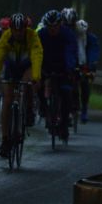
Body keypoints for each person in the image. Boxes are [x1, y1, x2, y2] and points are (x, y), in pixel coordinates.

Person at [0, 13, 43, 158]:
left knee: (28, 83)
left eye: (21, 30)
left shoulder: (32, 36)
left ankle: (30, 108)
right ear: (11, 29)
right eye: (15, 29)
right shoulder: (6, 37)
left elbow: (37, 56)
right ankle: (5, 139)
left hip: (27, 67)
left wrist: (36, 77)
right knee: (7, 101)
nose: (18, 33)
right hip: (12, 67)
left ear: (26, 28)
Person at [36, 9, 77, 140]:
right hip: (46, 65)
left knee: (66, 94)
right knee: (38, 84)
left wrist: (70, 68)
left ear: (60, 25)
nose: (52, 29)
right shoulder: (41, 34)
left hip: (63, 66)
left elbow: (70, 51)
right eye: (50, 26)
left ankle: (64, 125)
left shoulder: (67, 34)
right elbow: (36, 52)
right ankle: (43, 106)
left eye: (55, 26)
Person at [75, 19, 100, 123]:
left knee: (85, 85)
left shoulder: (91, 39)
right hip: (74, 63)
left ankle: (84, 109)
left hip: (85, 65)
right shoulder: (72, 37)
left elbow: (93, 52)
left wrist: (92, 65)